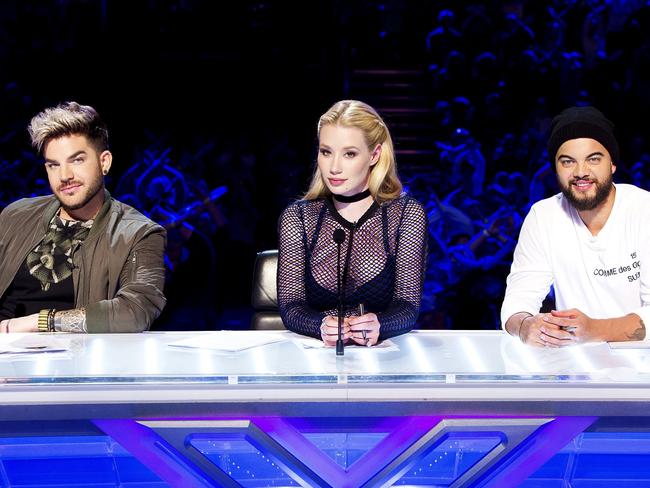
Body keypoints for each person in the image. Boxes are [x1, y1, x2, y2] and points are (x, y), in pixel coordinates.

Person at [0, 102, 166, 333]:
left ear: (104, 161)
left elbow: (136, 310)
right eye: (53, 165)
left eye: (77, 160)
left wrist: (37, 322)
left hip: (75, 363)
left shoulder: (138, 234)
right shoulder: (15, 215)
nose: (65, 176)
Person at [277, 100, 428, 346]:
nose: (334, 167)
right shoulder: (299, 218)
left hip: (382, 360)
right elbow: (291, 306)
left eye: (349, 154)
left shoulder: (405, 214)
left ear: (375, 155)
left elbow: (407, 306)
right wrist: (319, 326)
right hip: (315, 359)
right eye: (326, 152)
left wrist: (380, 325)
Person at [501, 106, 649, 347]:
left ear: (612, 164)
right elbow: (518, 301)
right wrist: (526, 325)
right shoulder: (543, 216)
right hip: (576, 370)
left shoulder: (644, 210)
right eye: (568, 162)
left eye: (593, 159)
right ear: (555, 170)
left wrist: (594, 329)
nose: (581, 172)